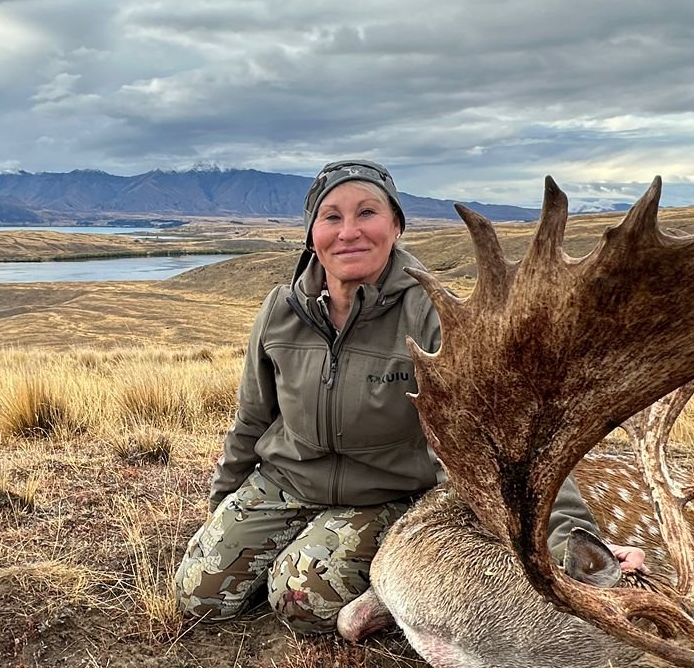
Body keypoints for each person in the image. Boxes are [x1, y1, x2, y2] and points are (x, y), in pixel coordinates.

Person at [175, 158, 642, 634]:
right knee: (199, 599)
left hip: (385, 494)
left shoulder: (435, 314)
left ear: (396, 225)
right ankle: (302, 542)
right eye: (331, 216)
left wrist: (569, 539)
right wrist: (225, 506)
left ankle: (352, 561)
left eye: (367, 213)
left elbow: (507, 433)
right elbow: (252, 419)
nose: (348, 231)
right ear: (311, 232)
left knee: (300, 603)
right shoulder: (281, 309)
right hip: (286, 481)